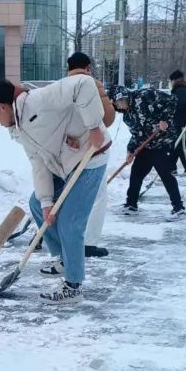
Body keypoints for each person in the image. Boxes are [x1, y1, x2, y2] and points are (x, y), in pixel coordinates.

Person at [0, 76, 110, 304]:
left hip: (91, 157)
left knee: (70, 222)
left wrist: (94, 126)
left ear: (1, 107)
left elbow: (84, 84)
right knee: (38, 204)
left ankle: (73, 286)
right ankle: (65, 259)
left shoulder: (38, 100)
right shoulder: (19, 128)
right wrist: (47, 202)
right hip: (65, 165)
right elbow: (39, 164)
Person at [67, 52, 117, 259]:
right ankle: (88, 243)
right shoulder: (93, 84)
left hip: (67, 150)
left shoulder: (60, 86)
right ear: (88, 67)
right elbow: (108, 118)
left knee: (65, 194)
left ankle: (47, 235)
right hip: (93, 149)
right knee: (97, 197)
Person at [109, 85, 185, 219]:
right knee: (136, 174)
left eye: (120, 102)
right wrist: (130, 151)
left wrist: (165, 119)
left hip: (162, 142)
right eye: (116, 104)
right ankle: (131, 205)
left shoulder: (145, 95)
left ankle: (179, 209)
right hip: (146, 145)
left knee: (166, 175)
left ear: (125, 97)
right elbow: (136, 134)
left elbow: (172, 100)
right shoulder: (127, 116)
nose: (119, 106)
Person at [168, 69, 186, 175]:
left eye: (171, 81)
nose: (170, 83)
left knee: (182, 146)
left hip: (183, 123)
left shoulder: (181, 91)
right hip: (178, 122)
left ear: (175, 80)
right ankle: (171, 167)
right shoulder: (179, 90)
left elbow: (181, 108)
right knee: (175, 145)